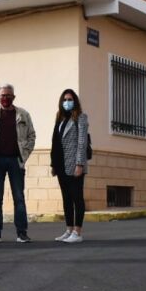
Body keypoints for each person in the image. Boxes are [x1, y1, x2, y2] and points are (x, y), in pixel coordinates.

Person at [0, 83, 36, 244]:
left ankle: (22, 233)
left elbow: (31, 136)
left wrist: (24, 155)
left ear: (13, 97)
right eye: (2, 96)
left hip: (16, 161)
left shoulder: (23, 115)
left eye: (8, 95)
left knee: (19, 198)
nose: (5, 98)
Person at [50, 89, 89, 243]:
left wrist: (79, 164)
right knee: (66, 198)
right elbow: (55, 142)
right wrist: (53, 164)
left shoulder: (81, 117)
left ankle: (77, 232)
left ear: (75, 101)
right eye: (65, 100)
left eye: (70, 99)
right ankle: (68, 230)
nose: (67, 102)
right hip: (61, 164)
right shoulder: (59, 118)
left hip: (74, 165)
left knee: (77, 198)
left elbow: (82, 142)